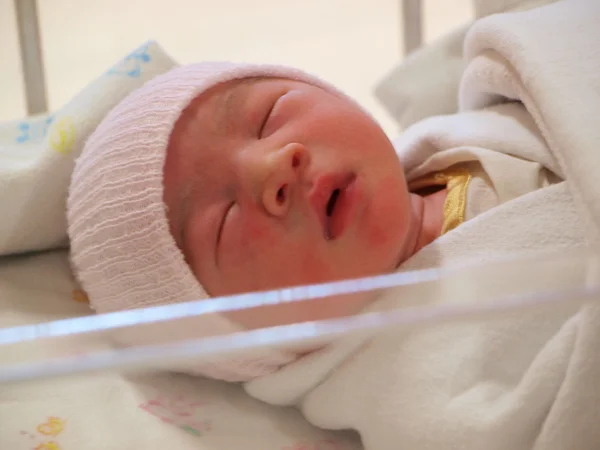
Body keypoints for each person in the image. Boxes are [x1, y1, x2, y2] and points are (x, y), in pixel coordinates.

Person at [67, 61, 555, 381]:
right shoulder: (427, 376)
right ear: (246, 343)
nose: (273, 166)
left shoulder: (483, 123)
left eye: (268, 117)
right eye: (224, 220)